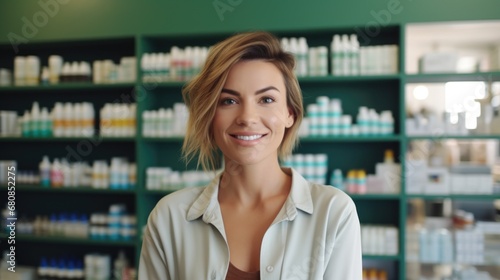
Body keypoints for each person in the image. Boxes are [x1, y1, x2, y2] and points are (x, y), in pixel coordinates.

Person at [139, 31, 362, 280]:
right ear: (210, 116)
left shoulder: (333, 212)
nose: (247, 117)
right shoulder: (170, 217)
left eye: (266, 99)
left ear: (290, 113)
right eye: (228, 101)